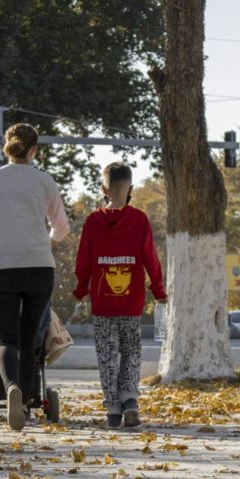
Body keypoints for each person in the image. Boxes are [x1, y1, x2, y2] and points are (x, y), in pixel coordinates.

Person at [0, 123, 70, 431]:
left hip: (0, 269)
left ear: (6, 148)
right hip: (39, 268)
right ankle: (24, 405)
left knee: (5, 338)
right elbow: (62, 227)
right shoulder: (44, 181)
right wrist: (48, 241)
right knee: (29, 338)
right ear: (34, 150)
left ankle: (11, 390)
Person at [73, 161, 166, 428]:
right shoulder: (139, 220)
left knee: (107, 355)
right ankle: (130, 400)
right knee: (131, 352)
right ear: (131, 189)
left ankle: (113, 410)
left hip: (103, 305)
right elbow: (151, 258)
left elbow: (84, 260)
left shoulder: (93, 221)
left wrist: (81, 289)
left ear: (103, 189)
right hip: (131, 303)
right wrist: (158, 289)